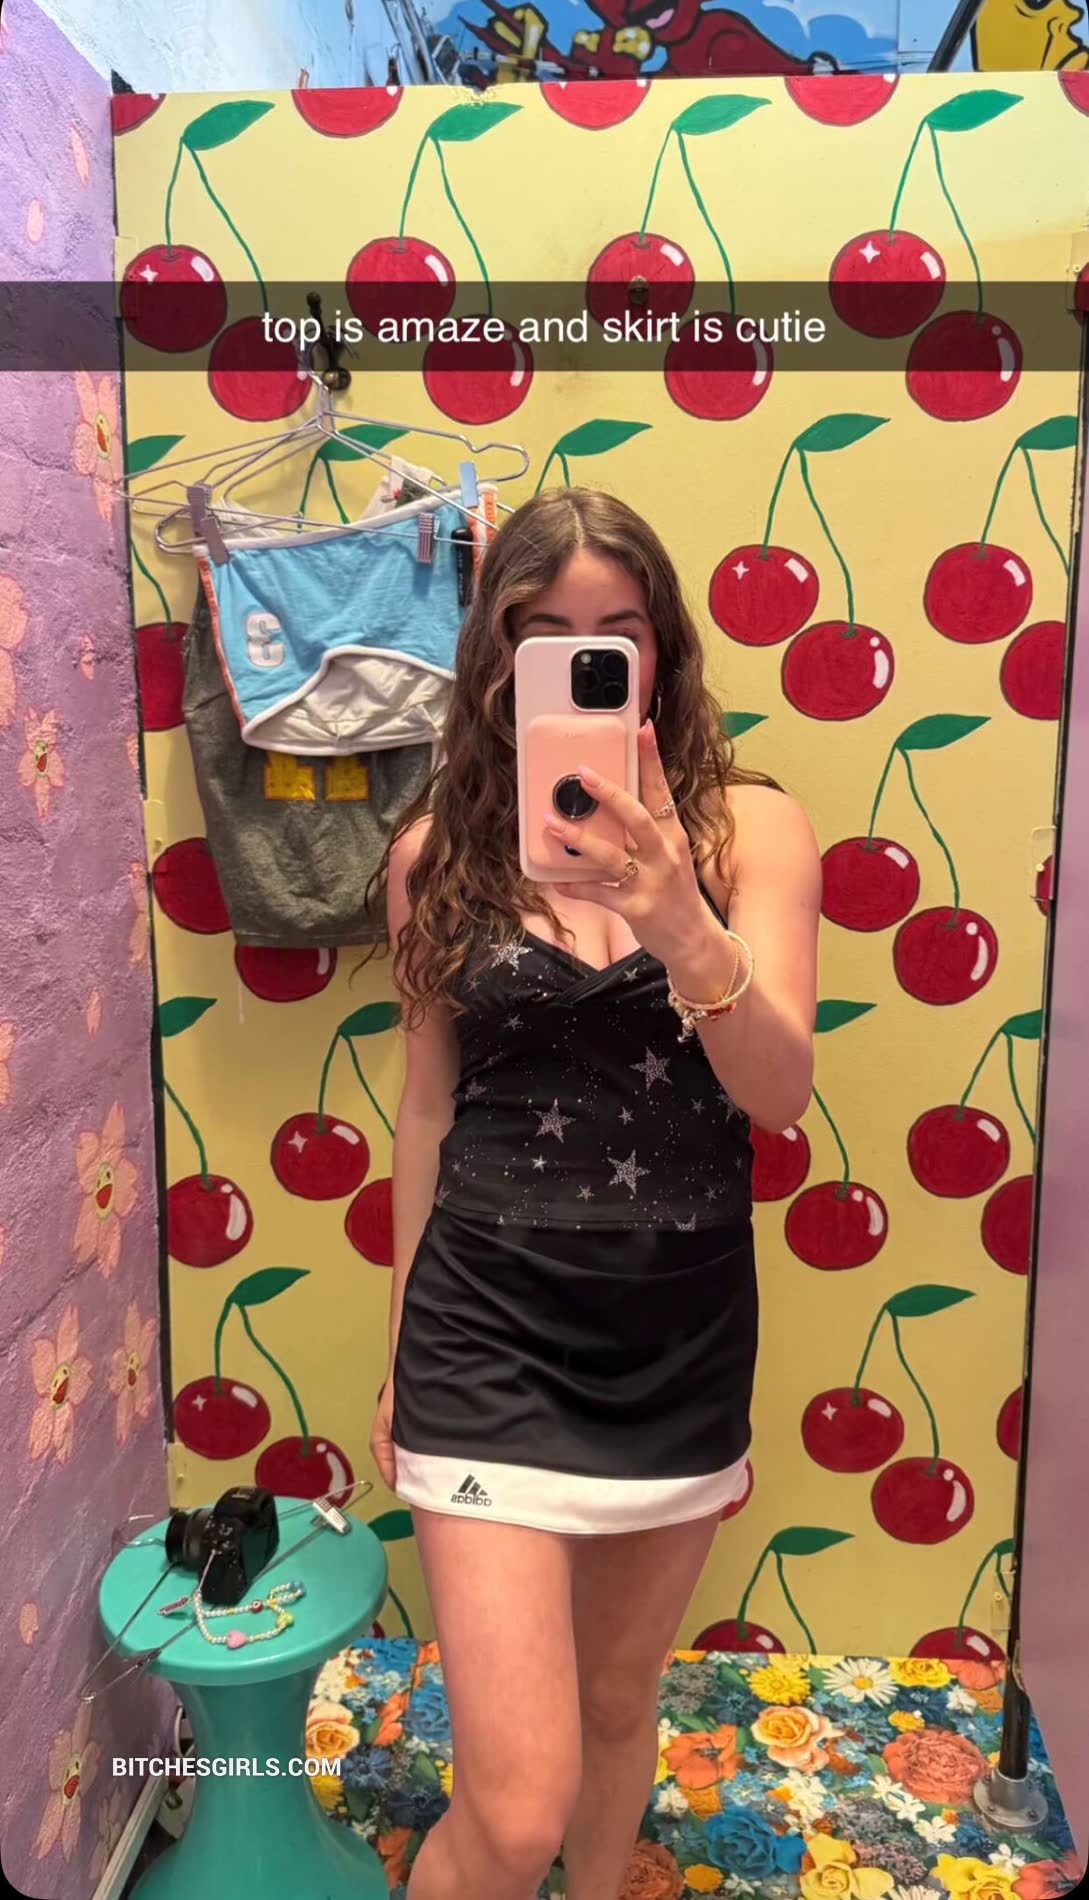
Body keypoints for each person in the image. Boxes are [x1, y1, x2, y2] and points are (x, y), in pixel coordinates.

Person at [366, 486, 820, 1900]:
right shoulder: (433, 853)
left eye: (613, 635)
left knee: (621, 1707)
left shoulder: (751, 832)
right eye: (545, 636)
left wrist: (677, 917)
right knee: (513, 1809)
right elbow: (427, 1109)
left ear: (661, 650)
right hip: (483, 1335)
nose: (581, 662)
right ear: (498, 661)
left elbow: (778, 1095)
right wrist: (398, 1347)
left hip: (677, 1338)